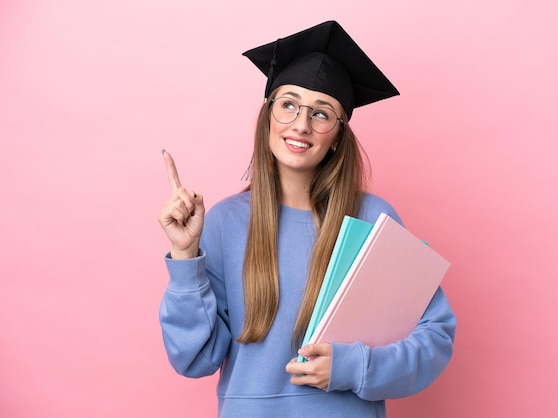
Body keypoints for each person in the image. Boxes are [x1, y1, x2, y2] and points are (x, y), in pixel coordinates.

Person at [158, 21, 456, 418]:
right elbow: (194, 359)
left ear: (338, 135)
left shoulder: (373, 218)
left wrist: (352, 366)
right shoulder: (224, 223)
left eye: (321, 113)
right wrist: (185, 256)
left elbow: (434, 337)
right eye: (289, 105)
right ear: (268, 116)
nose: (301, 124)